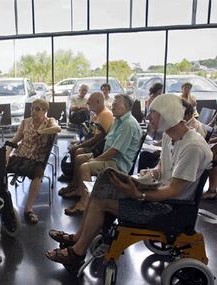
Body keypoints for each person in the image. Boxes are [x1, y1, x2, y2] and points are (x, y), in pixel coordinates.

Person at [46, 94, 212, 267]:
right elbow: (161, 169)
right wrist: (144, 177)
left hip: (170, 209)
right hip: (160, 197)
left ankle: (77, 253)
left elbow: (173, 191)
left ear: (168, 114)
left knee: (98, 202)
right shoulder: (169, 137)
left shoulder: (192, 147)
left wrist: (138, 193)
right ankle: (77, 239)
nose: (148, 117)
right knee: (97, 192)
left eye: (153, 113)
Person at [63, 94, 142, 215]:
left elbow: (115, 151)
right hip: (109, 157)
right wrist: (95, 156)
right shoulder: (118, 120)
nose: (112, 107)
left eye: (116, 105)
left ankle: (84, 204)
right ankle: (79, 189)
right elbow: (107, 143)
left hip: (118, 164)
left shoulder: (128, 125)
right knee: (79, 158)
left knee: (85, 166)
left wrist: (96, 159)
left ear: (126, 107)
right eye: (113, 104)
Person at [6, 99, 61, 224]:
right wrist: (7, 153)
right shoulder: (25, 122)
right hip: (21, 155)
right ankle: (4, 203)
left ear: (45, 111)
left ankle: (28, 209)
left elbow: (57, 129)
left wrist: (41, 131)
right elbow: (15, 140)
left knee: (38, 174)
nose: (33, 111)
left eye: (38, 109)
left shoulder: (49, 121)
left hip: (36, 158)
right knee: (0, 167)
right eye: (32, 108)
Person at [59, 92, 114, 195]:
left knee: (78, 150)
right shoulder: (98, 114)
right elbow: (91, 134)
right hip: (98, 145)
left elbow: (97, 139)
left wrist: (80, 145)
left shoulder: (105, 115)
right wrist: (79, 142)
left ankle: (76, 184)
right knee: (75, 147)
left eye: (90, 101)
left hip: (101, 148)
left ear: (98, 102)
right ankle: (74, 181)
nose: (87, 103)